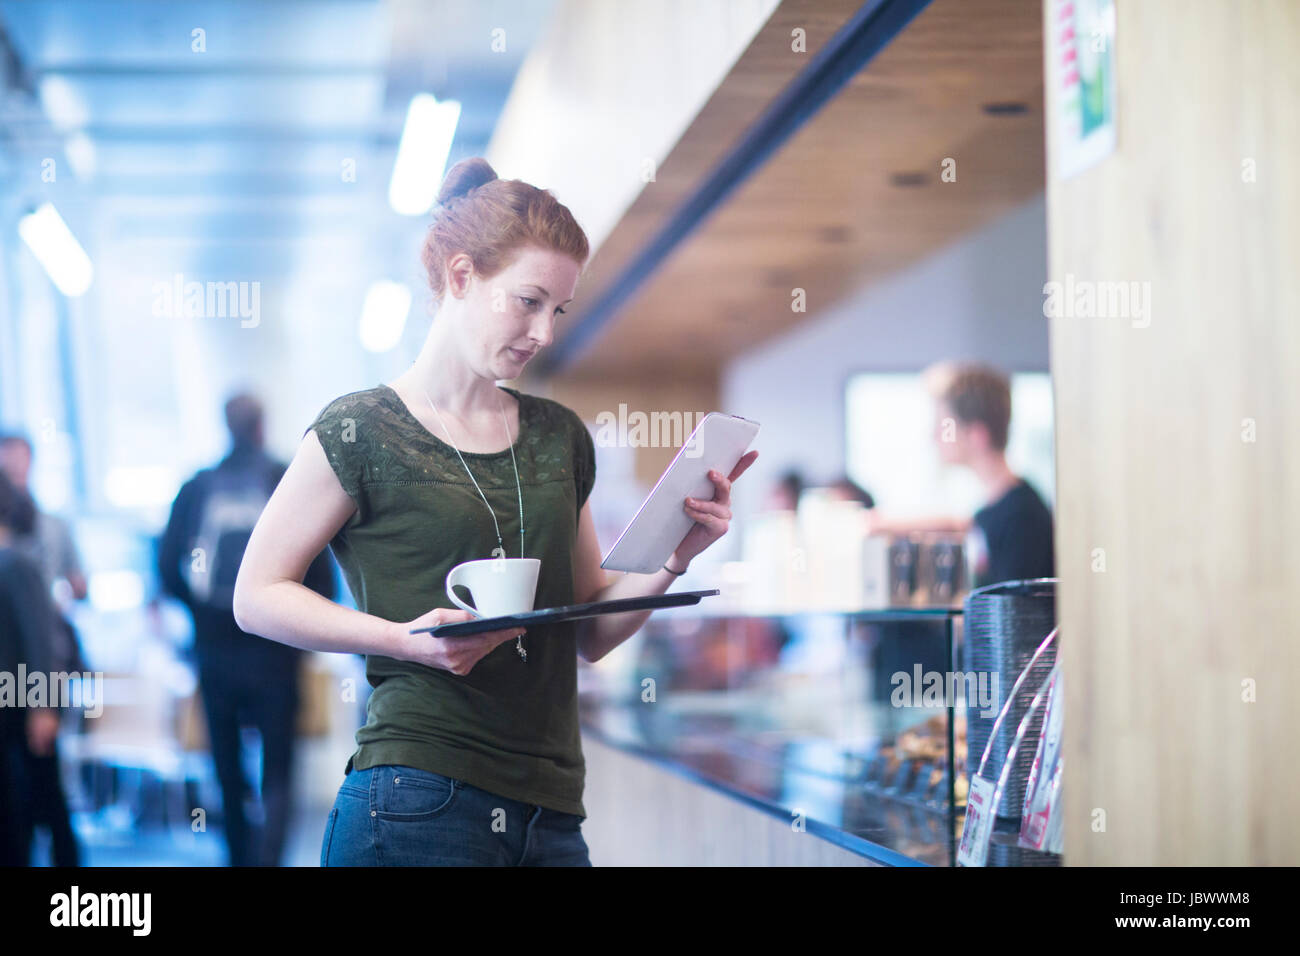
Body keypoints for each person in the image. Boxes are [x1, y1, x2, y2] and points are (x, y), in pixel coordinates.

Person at [231, 157, 758, 867]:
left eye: (558, 310)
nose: (544, 331)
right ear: (460, 277)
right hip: (417, 796)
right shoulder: (360, 429)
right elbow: (255, 596)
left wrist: (675, 554)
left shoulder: (557, 435)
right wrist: (403, 639)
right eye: (528, 300)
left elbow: (592, 631)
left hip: (551, 810)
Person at [158, 393, 337, 866]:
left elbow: (166, 568)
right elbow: (321, 570)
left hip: (214, 654)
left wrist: (204, 616)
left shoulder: (197, 487)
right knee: (279, 762)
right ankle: (272, 856)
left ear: (225, 425)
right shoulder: (285, 478)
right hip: (276, 649)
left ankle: (238, 857)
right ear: (262, 425)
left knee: (226, 762)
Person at [867, 363, 1054, 588]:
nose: (934, 436)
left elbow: (1014, 616)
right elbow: (961, 523)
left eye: (944, 425)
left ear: (977, 435)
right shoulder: (1000, 508)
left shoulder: (1021, 517)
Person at [0, 432, 85, 866]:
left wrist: (44, 706)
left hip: (32, 684)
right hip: (18, 685)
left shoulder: (31, 548)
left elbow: (39, 636)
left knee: (45, 794)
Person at [0, 472, 61, 866]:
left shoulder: (16, 561)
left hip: (21, 706)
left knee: (40, 806)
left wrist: (43, 707)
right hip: (13, 703)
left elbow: (41, 638)